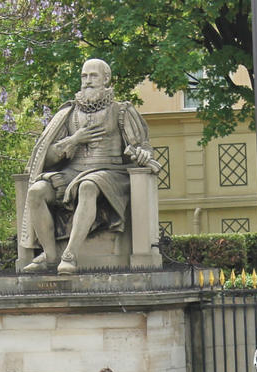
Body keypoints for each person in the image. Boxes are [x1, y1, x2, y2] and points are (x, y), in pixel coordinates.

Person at [19, 58, 155, 275]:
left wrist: (141, 154)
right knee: (36, 192)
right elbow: (48, 157)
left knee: (88, 186)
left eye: (93, 76)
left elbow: (145, 148)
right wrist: (74, 140)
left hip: (110, 172)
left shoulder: (121, 111)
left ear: (106, 79)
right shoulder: (68, 114)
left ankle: (70, 255)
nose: (87, 81)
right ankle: (51, 257)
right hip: (72, 173)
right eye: (84, 76)